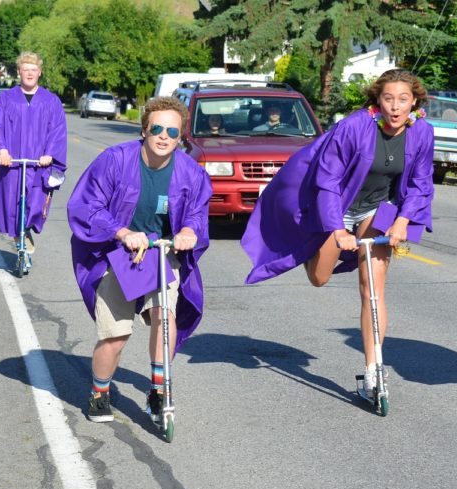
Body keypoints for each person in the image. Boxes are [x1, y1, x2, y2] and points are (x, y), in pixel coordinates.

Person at [241, 69, 434, 397]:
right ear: (378, 100)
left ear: (414, 101)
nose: (396, 107)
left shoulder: (423, 132)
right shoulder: (354, 127)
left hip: (377, 207)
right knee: (319, 277)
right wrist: (335, 228)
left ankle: (374, 369)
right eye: (389, 98)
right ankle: (307, 245)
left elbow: (421, 182)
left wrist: (403, 220)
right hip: (337, 205)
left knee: (372, 286)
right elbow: (327, 181)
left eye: (403, 99)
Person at [67, 96, 212, 424]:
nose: (164, 136)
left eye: (172, 132)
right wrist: (120, 231)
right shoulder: (115, 160)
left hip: (161, 253)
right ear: (144, 130)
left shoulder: (190, 172)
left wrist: (189, 230)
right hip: (116, 255)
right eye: (157, 128)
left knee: (165, 317)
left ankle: (159, 390)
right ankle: (99, 392)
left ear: (181, 138)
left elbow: (197, 214)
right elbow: (86, 206)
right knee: (115, 336)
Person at [0, 52, 67, 255]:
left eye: (33, 70)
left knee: (36, 204)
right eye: (25, 69)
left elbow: (58, 130)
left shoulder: (51, 101)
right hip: (11, 163)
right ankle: (18, 235)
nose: (29, 73)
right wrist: (2, 150)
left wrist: (50, 154)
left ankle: (26, 231)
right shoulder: (6, 98)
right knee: (12, 205)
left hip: (40, 163)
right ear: (19, 72)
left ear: (39, 72)